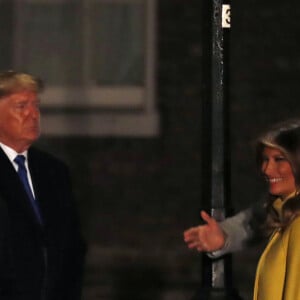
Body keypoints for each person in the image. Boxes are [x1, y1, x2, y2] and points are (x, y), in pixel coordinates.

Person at [185, 119, 300, 299]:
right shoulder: (282, 210)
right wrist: (223, 236)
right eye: (265, 160)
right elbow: (253, 219)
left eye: (279, 160)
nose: (267, 169)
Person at [0, 70, 85, 300]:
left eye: (36, 106)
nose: (33, 114)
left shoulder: (54, 171)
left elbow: (73, 247)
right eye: (21, 106)